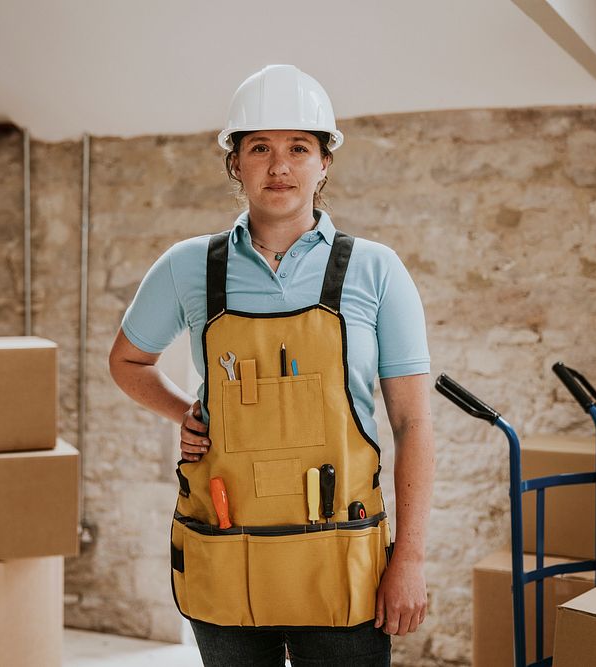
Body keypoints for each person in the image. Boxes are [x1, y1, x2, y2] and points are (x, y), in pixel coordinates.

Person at [109, 64, 435, 667]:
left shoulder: (375, 271)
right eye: (259, 147)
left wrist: (409, 559)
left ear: (324, 162)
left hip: (341, 560)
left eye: (298, 148)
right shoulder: (189, 268)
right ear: (235, 162)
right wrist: (187, 413)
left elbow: (414, 424)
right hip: (226, 553)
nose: (279, 166)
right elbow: (128, 361)